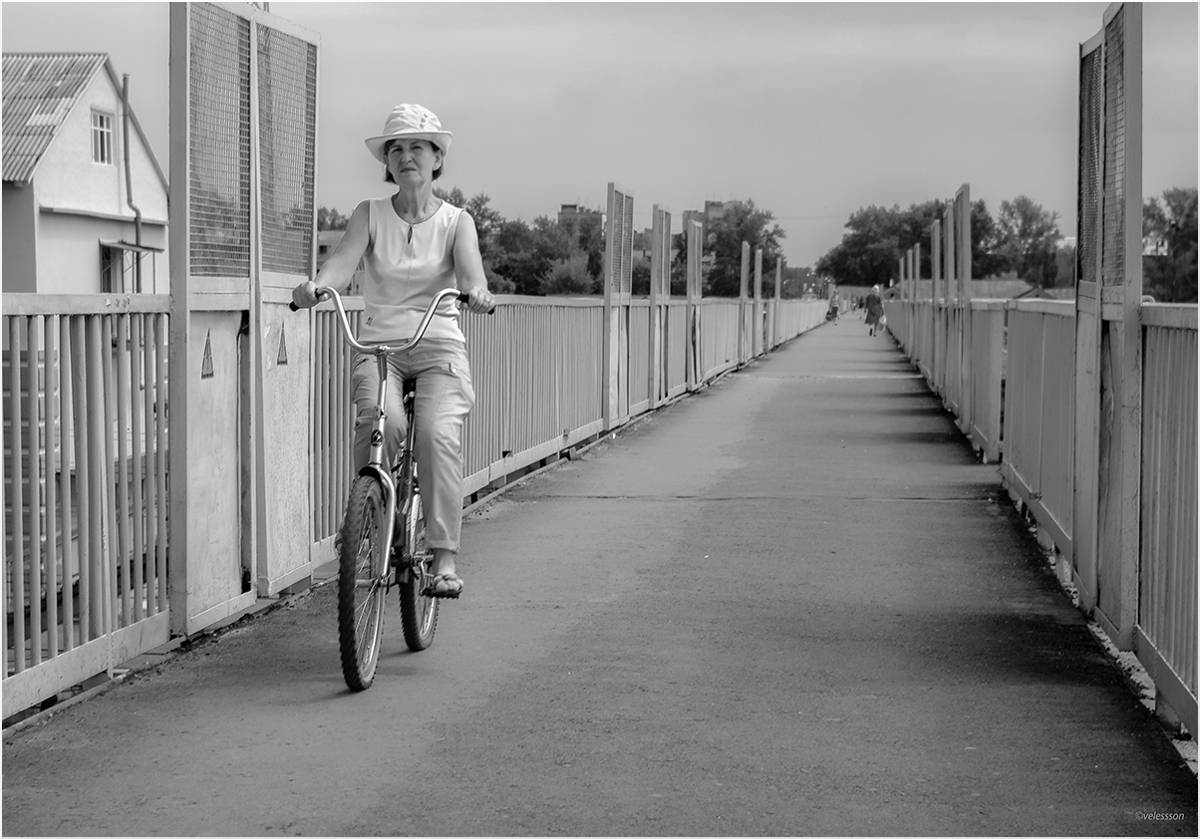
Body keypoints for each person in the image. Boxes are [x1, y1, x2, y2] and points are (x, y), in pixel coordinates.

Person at [292, 104, 494, 598]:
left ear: (436, 157)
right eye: (396, 149)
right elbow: (341, 264)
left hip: (439, 344)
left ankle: (444, 557)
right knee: (380, 421)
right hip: (380, 344)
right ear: (387, 162)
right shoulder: (370, 213)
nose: (406, 157)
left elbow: (470, 277)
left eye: (417, 147)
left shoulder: (456, 222)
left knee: (435, 432)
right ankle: (371, 522)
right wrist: (316, 287)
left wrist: (479, 293)